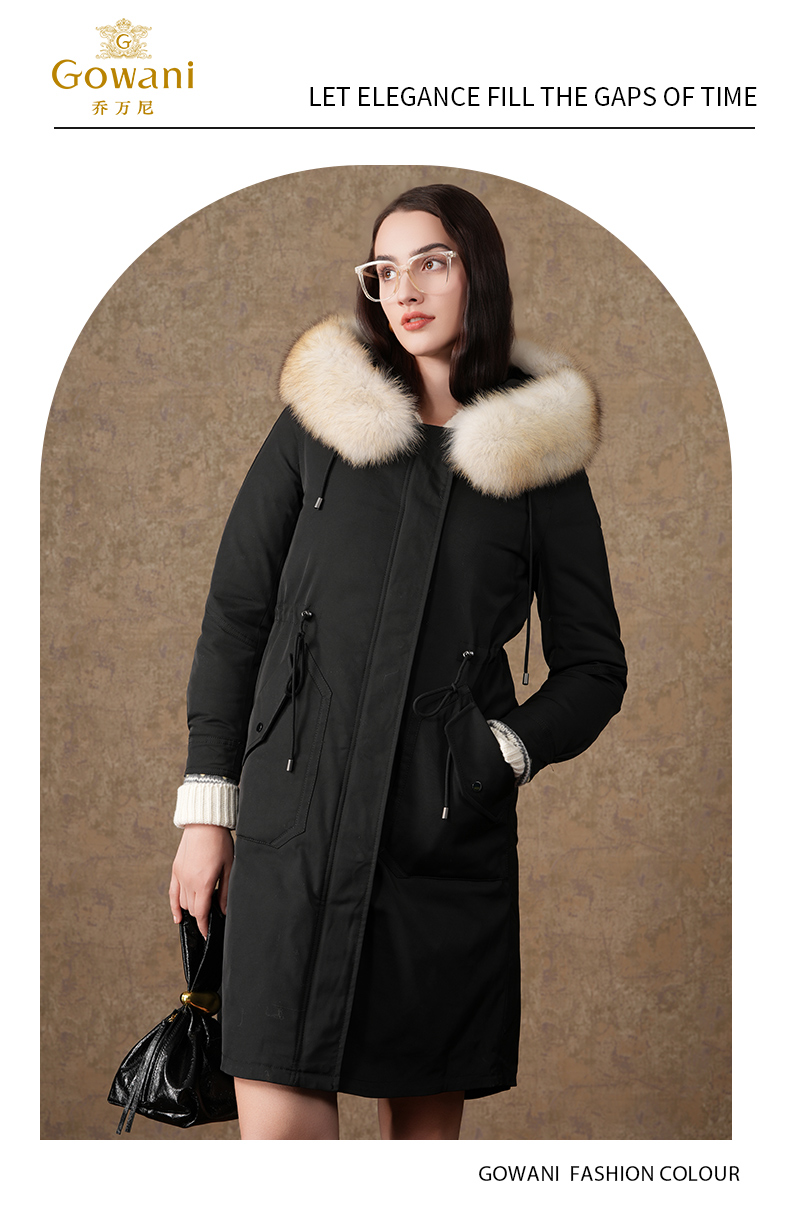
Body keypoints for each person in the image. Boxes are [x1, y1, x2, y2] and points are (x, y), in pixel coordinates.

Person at [168, 183, 627, 1140]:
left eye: (432, 263)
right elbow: (237, 616)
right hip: (294, 838)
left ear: (478, 272)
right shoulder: (319, 425)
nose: (404, 289)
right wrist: (208, 811)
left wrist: (500, 752)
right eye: (385, 269)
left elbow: (594, 666)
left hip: (439, 845)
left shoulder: (538, 461)